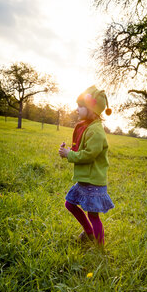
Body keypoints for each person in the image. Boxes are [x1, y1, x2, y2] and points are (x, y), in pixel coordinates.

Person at [59, 85, 114, 246]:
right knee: (70, 203)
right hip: (85, 179)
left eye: (80, 106)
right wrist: (67, 151)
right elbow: (81, 149)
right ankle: (89, 232)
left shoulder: (96, 131)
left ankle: (99, 246)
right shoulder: (88, 127)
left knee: (93, 215)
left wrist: (70, 154)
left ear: (91, 109)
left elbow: (89, 155)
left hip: (93, 181)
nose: (77, 109)